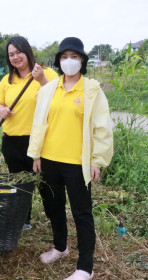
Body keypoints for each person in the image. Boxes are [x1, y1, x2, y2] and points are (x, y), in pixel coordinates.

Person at [27, 37, 113, 280]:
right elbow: (39, 123)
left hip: (78, 163)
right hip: (49, 160)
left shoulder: (92, 90)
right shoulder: (48, 90)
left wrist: (97, 159)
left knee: (81, 213)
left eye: (74, 57)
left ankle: (85, 267)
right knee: (53, 208)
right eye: (64, 57)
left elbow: (102, 127)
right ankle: (60, 247)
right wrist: (36, 154)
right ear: (58, 61)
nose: (69, 61)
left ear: (82, 60)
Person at [0, 36, 58, 230]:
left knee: (46, 183)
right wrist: (1, 110)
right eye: (11, 54)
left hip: (39, 141)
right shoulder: (8, 80)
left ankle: (56, 221)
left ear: (27, 51)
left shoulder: (46, 74)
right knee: (18, 183)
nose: (15, 57)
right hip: (12, 140)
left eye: (18, 52)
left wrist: (41, 80)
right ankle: (24, 219)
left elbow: (57, 101)